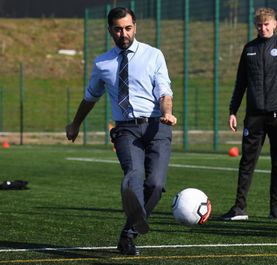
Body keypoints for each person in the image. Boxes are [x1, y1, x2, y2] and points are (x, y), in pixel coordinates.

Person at [65, 7, 177, 255]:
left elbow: (164, 90)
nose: (123, 33)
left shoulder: (153, 55)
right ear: (110, 31)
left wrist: (167, 111)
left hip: (158, 125)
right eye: (118, 29)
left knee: (156, 185)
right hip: (126, 130)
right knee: (134, 174)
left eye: (127, 28)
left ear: (135, 27)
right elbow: (90, 98)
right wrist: (75, 124)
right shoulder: (102, 63)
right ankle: (130, 201)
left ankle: (128, 234)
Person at [220, 7, 277, 221]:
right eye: (259, 25)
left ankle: (275, 209)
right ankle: (239, 208)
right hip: (254, 116)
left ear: (274, 24)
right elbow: (241, 83)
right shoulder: (249, 49)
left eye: (266, 24)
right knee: (247, 161)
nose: (263, 28)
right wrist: (233, 110)